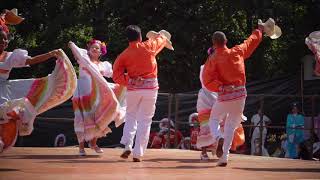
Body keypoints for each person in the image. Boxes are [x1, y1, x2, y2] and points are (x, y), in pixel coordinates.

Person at [0, 10, 77, 153]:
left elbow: (31, 60)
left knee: (8, 117)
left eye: (5, 39)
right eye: (1, 39)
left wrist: (51, 54)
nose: (4, 42)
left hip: (4, 92)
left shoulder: (10, 57)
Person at [202, 20, 266, 166]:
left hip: (225, 96)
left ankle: (218, 137)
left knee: (213, 119)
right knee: (231, 125)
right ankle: (224, 156)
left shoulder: (212, 59)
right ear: (226, 41)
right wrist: (259, 30)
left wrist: (221, 87)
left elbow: (207, 80)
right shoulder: (237, 51)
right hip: (240, 95)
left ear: (213, 43)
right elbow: (250, 42)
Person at [113, 25, 174, 162]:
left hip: (133, 89)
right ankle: (137, 153)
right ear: (140, 37)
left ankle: (127, 144)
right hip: (150, 89)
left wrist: (130, 79)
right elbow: (161, 40)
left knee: (130, 117)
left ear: (128, 39)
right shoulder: (149, 46)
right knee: (145, 121)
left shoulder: (124, 55)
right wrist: (162, 36)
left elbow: (116, 76)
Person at [69, 40, 126, 156]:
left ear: (101, 52)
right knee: (82, 119)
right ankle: (81, 147)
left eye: (97, 48)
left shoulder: (104, 65)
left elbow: (114, 75)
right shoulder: (84, 59)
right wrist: (71, 44)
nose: (95, 49)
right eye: (93, 47)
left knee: (99, 118)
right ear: (88, 49)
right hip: (83, 94)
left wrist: (127, 77)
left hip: (97, 96)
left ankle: (93, 143)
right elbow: (75, 49)